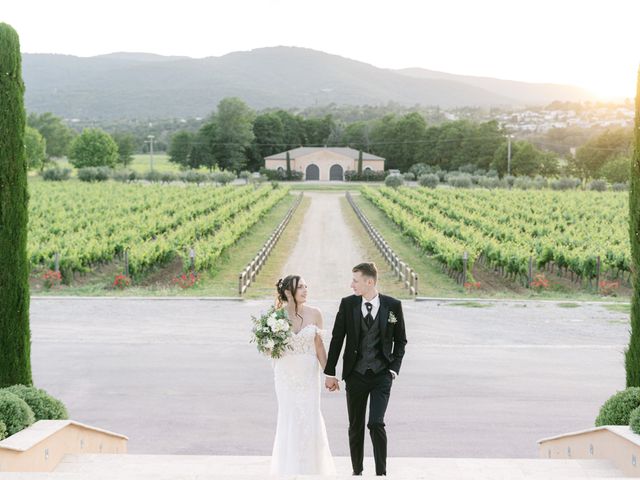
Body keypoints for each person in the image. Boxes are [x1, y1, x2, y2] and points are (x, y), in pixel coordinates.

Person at [324, 262, 407, 476]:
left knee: (376, 423)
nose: (351, 285)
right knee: (356, 426)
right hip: (355, 375)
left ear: (369, 282)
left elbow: (400, 340)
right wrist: (330, 372)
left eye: (355, 280)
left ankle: (381, 473)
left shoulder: (392, 306)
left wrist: (393, 369)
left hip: (381, 375)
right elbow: (337, 339)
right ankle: (357, 472)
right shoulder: (348, 304)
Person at [269, 275, 336, 475]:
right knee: (289, 415)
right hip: (285, 376)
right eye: (300, 287)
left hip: (308, 377)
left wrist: (329, 374)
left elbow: (319, 346)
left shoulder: (315, 313)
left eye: (306, 286)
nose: (305, 290)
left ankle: (311, 468)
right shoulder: (276, 316)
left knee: (310, 415)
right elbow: (271, 348)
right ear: (289, 292)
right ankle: (289, 469)